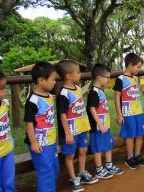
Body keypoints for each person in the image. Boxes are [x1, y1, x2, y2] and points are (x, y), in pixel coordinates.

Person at [56, 60, 98, 192]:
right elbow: (62, 115)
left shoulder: (78, 89)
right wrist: (67, 133)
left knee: (83, 150)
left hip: (81, 128)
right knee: (69, 155)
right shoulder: (63, 94)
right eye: (78, 72)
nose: (80, 75)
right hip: (70, 131)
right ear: (68, 75)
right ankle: (73, 178)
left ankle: (82, 172)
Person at [24, 62, 59, 192]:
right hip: (39, 145)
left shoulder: (49, 96)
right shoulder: (32, 101)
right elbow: (29, 123)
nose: (55, 82)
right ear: (41, 80)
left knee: (54, 169)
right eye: (53, 79)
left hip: (50, 142)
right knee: (46, 173)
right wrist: (33, 142)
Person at [87, 64, 123, 179]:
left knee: (108, 145)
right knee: (98, 148)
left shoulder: (100, 90)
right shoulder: (93, 92)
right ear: (98, 77)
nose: (109, 79)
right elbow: (92, 109)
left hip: (105, 126)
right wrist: (100, 124)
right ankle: (99, 169)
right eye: (107, 77)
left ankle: (109, 165)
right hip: (98, 127)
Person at [113, 53, 144, 170]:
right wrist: (119, 114)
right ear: (130, 65)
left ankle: (137, 154)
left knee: (140, 134)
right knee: (130, 135)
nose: (139, 69)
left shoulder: (135, 78)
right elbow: (116, 97)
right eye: (138, 67)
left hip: (139, 112)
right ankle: (129, 157)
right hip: (128, 113)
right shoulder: (120, 79)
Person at [0, 69, 15, 192]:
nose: (5, 91)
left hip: (8, 151)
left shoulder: (5, 104)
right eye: (2, 88)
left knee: (9, 183)